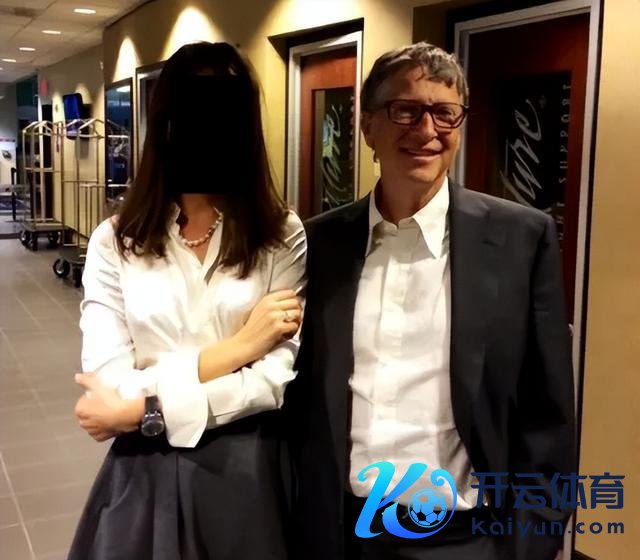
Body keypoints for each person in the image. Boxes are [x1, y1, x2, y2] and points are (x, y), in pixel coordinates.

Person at [287, 42, 575, 560]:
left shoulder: (521, 239)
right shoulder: (319, 244)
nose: (427, 130)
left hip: (469, 537)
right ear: (367, 126)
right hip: (340, 532)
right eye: (405, 110)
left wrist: (534, 540)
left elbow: (547, 411)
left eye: (445, 113)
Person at [69, 42, 306, 560]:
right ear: (166, 123)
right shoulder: (116, 241)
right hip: (144, 466)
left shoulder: (280, 234)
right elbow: (108, 379)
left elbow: (273, 381)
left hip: (247, 467)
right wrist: (240, 348)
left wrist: (140, 409)